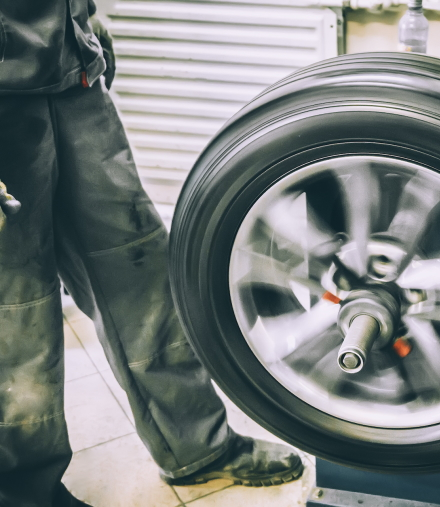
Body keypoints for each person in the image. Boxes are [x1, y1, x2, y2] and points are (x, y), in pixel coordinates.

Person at [0, 2, 304, 506]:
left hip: (71, 75)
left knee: (139, 272)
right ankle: (24, 493)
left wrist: (84, 19)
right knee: (17, 318)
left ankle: (196, 448)